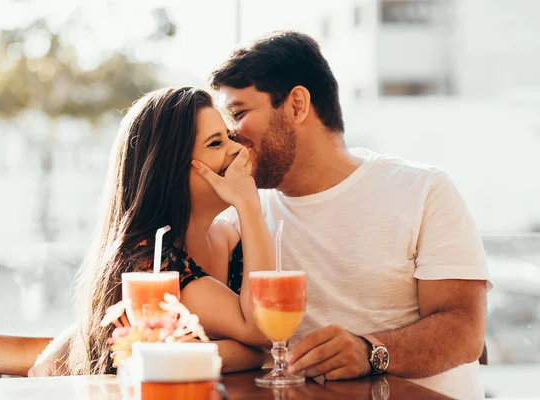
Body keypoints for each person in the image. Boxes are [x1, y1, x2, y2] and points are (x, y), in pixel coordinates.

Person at [209, 31, 491, 399]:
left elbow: (465, 332)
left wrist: (370, 351)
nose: (231, 136)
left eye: (240, 113)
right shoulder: (243, 214)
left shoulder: (423, 190)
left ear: (296, 104)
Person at [30, 87, 276, 376]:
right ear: (169, 171)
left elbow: (264, 338)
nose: (238, 150)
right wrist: (249, 206)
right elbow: (261, 331)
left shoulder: (231, 239)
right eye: (215, 143)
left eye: (229, 138)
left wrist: (207, 352)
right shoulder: (149, 263)